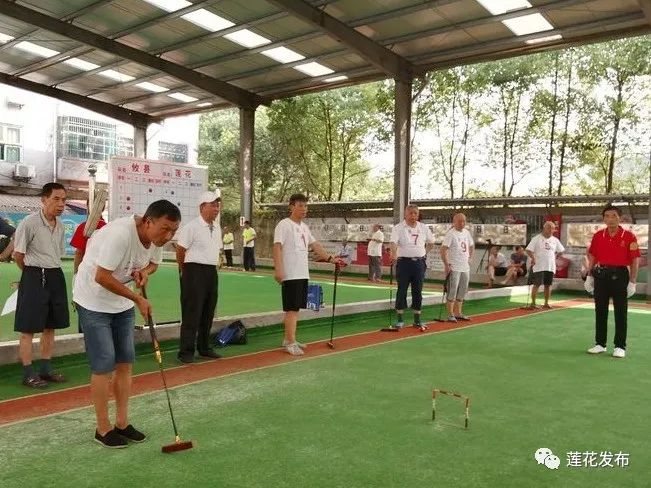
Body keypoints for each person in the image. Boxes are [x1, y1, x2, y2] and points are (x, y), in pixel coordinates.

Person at [73, 200, 180, 448]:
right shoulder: (120, 234)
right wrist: (137, 298)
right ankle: (103, 428)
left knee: (125, 361)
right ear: (147, 221)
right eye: (165, 229)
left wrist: (145, 272)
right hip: (93, 300)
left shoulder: (155, 239)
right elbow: (101, 276)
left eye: (173, 231)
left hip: (121, 303)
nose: (169, 235)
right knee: (103, 364)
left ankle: (122, 423)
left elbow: (152, 263)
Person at [13, 183, 70, 388]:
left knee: (50, 326)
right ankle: (28, 373)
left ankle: (45, 370)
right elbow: (18, 255)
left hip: (56, 275)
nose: (61, 204)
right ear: (44, 200)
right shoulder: (29, 223)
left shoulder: (61, 225)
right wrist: (31, 276)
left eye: (64, 200)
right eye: (56, 199)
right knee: (28, 328)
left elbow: (58, 254)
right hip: (34, 274)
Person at [273, 194, 345, 356]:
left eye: (306, 206)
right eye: (300, 206)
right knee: (291, 309)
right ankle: (289, 342)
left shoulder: (304, 227)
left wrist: (330, 258)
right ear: (291, 207)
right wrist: (278, 269)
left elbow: (315, 245)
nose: (304, 209)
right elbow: (277, 247)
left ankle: (290, 338)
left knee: (296, 308)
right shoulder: (283, 225)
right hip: (290, 273)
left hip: (302, 273)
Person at [584, 205, 640, 359]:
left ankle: (620, 346)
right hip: (601, 275)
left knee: (620, 312)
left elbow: (635, 260)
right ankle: (600, 344)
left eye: (614, 215)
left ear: (619, 217)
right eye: (607, 216)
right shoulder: (598, 236)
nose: (610, 219)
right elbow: (593, 257)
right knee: (600, 310)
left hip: (620, 276)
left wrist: (633, 281)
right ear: (603, 219)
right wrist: (589, 276)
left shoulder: (629, 236)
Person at [175, 191, 222, 363]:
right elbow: (180, 250)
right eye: (213, 205)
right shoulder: (191, 227)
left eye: (218, 205)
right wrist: (184, 271)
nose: (217, 208)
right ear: (202, 207)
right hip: (193, 271)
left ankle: (204, 348)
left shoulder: (217, 227)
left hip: (211, 272)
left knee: (208, 311)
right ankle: (186, 352)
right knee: (192, 313)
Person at [389, 205, 435, 330]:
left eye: (415, 213)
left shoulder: (423, 227)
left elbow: (431, 243)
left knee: (418, 290)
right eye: (411, 213)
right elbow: (393, 243)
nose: (413, 216)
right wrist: (393, 254)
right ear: (405, 214)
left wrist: (424, 253)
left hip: (419, 264)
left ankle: (417, 319)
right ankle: (399, 319)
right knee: (402, 290)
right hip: (403, 263)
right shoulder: (398, 228)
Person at [441, 213, 474, 322]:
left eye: (464, 221)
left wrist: (470, 258)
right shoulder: (451, 234)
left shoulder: (466, 232)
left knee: (463, 290)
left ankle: (458, 313)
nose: (462, 223)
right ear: (454, 222)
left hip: (465, 267)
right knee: (452, 290)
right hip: (454, 266)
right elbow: (443, 249)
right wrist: (446, 264)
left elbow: (471, 245)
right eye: (459, 221)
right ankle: (450, 314)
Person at [525, 221, 565, 309]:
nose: (551, 230)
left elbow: (561, 250)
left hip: (550, 266)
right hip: (539, 265)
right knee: (537, 284)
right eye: (549, 227)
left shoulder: (555, 240)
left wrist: (556, 256)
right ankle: (533, 303)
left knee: (548, 285)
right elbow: (528, 250)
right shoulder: (536, 238)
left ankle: (546, 303)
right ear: (544, 228)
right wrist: (533, 258)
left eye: (553, 228)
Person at [70, 199, 106, 274]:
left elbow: (79, 253)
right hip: (103, 271)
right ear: (103, 207)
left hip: (86, 271)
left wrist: (76, 273)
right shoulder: (108, 227)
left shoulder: (83, 227)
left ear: (88, 206)